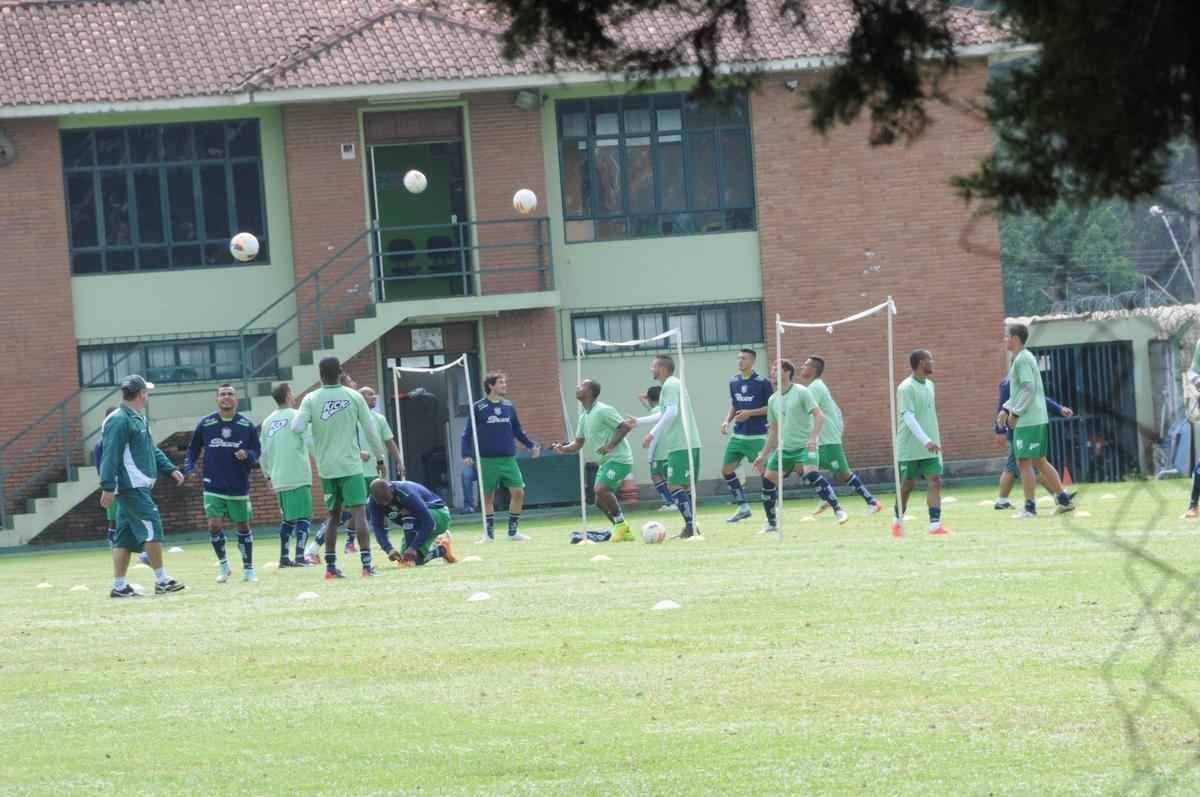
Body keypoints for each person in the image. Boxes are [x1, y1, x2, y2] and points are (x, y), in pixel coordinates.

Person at [292, 356, 385, 578]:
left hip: (327, 468)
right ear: (341, 372)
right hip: (351, 465)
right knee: (359, 514)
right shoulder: (354, 396)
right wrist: (379, 458)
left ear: (321, 375)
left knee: (332, 516)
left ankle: (331, 568)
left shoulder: (311, 398)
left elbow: (297, 427)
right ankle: (366, 566)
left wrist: (314, 434)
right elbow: (370, 430)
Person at [98, 375, 185, 597]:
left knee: (124, 537)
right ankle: (162, 580)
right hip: (131, 486)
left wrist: (169, 468)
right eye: (146, 392)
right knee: (152, 525)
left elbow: (150, 449)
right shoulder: (119, 419)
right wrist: (107, 486)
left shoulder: (138, 417)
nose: (148, 395)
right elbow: (110, 455)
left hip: (139, 485)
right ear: (140, 394)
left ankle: (119, 587)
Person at [752, 359, 847, 531]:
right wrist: (763, 455)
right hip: (784, 449)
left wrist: (813, 438)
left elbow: (819, 416)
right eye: (772, 370)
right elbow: (773, 431)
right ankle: (771, 524)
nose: (772, 372)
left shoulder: (802, 392)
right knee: (768, 481)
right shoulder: (773, 399)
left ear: (787, 372)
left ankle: (838, 510)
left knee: (811, 474)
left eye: (776, 369)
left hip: (804, 446)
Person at [998, 323, 1076, 518]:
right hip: (1034, 418)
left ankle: (1030, 508)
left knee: (1024, 462)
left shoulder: (1023, 359)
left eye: (1007, 336)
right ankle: (1064, 500)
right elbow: (1020, 391)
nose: (1004, 340)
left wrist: (1014, 414)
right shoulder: (1021, 358)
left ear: (1015, 338)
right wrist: (1006, 408)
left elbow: (1028, 389)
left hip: (1028, 420)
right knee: (1039, 462)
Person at [186, 384, 261, 583]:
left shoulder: (246, 425)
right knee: (213, 524)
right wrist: (190, 466)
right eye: (222, 394)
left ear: (236, 399)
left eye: (230, 394)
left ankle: (248, 569)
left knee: (243, 527)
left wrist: (248, 455)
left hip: (238, 485)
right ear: (217, 399)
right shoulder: (206, 423)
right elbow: (193, 449)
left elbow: (257, 452)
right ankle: (224, 566)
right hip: (213, 484)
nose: (226, 397)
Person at [552, 379, 637, 542]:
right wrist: (563, 448)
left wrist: (610, 446)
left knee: (601, 490)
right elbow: (577, 443)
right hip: (605, 462)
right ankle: (623, 529)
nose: (577, 387)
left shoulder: (604, 410)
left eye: (582, 386)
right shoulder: (584, 416)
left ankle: (620, 526)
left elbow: (625, 426)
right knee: (599, 501)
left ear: (590, 392)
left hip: (619, 459)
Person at [461, 371, 540, 543]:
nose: (505, 385)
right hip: (486, 460)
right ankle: (488, 535)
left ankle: (513, 532)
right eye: (501, 382)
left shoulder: (509, 406)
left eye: (505, 382)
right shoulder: (478, 407)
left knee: (518, 492)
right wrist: (466, 454)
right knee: (488, 497)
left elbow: (517, 430)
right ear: (491, 385)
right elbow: (467, 434)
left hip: (508, 459)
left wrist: (530, 444)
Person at [798, 356, 881, 515]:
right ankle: (825, 496)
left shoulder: (815, 388)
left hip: (828, 440)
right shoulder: (814, 387)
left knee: (843, 473)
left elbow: (805, 411)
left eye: (805, 365)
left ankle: (872, 502)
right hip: (822, 441)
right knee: (803, 467)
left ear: (814, 369)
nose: (802, 367)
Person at [634, 355, 702, 539]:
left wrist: (652, 434)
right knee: (684, 487)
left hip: (682, 443)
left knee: (674, 485)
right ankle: (691, 526)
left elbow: (671, 413)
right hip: (683, 442)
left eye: (653, 366)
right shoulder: (671, 385)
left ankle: (690, 527)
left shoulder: (670, 385)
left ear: (662, 368)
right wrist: (637, 422)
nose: (651, 369)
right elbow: (663, 414)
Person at [993, 375, 1074, 509]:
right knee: (1027, 463)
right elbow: (1002, 406)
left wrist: (1059, 408)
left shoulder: (1025, 382)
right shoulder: (1008, 384)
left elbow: (1040, 399)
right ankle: (1058, 495)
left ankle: (1059, 495)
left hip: (1025, 428)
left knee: (1031, 463)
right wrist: (1000, 430)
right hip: (1018, 430)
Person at [338, 384, 402, 553]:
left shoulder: (379, 419)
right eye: (370, 395)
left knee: (384, 504)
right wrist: (359, 453)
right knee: (358, 509)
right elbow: (343, 443)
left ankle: (384, 541)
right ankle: (350, 543)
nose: (374, 398)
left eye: (374, 395)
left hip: (375, 471)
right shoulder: (351, 418)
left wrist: (399, 461)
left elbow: (389, 441)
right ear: (360, 399)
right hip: (355, 471)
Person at [893, 349, 949, 537]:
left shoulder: (930, 385)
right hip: (910, 446)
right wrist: (925, 441)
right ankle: (897, 521)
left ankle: (935, 525)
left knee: (934, 481)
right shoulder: (906, 387)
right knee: (907, 484)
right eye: (929, 360)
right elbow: (908, 417)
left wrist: (931, 440)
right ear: (920, 363)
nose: (933, 363)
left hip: (931, 445)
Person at [259, 383, 314, 567]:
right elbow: (309, 442)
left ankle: (284, 558)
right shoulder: (297, 416)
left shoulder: (267, 421)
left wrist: (267, 476)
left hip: (278, 477)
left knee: (288, 519)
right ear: (289, 395)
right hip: (298, 474)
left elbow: (263, 453)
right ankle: (300, 557)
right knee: (304, 517)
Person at [720, 349, 773, 524]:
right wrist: (726, 420)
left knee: (766, 474)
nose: (740, 361)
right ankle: (743, 508)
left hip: (757, 436)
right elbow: (734, 405)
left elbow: (770, 408)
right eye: (738, 358)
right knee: (726, 470)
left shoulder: (762, 382)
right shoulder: (733, 381)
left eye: (744, 358)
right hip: (738, 435)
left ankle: (772, 512)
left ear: (752, 361)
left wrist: (750, 413)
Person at [367, 478, 457, 567]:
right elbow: (378, 527)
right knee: (409, 560)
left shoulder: (405, 493)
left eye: (387, 499)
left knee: (407, 512)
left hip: (439, 515)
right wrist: (388, 549)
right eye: (380, 502)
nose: (385, 504)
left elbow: (429, 522)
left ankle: (413, 550)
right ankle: (442, 550)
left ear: (391, 489)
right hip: (416, 525)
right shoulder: (373, 501)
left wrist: (413, 548)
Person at [639, 386, 675, 512]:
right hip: (669, 448)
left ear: (650, 399)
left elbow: (653, 413)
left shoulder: (657, 411)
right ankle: (672, 502)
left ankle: (670, 502)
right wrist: (645, 400)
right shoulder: (663, 409)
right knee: (668, 477)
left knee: (657, 475)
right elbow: (653, 410)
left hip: (660, 450)